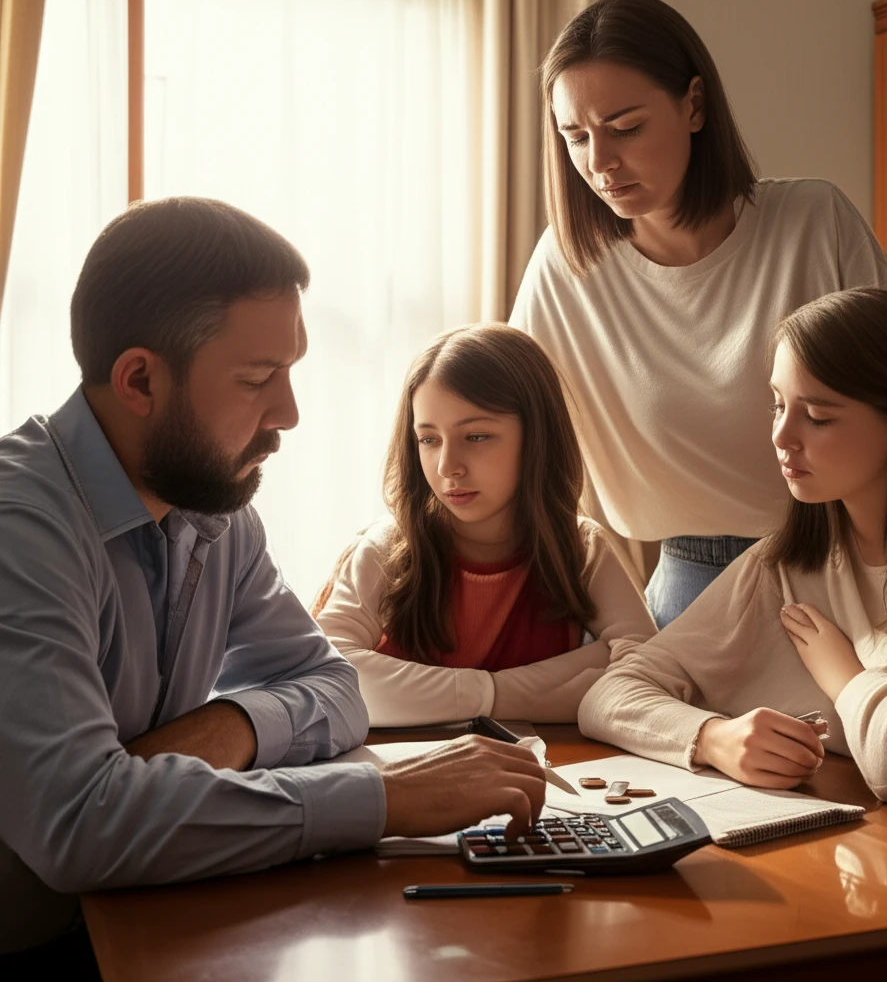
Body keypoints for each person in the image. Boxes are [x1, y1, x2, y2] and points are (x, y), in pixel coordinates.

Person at [0, 199, 546, 974]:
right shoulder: (21, 529)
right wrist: (387, 800)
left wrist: (228, 727)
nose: (287, 413)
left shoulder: (212, 500)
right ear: (139, 380)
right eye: (258, 379)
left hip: (150, 911)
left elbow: (333, 686)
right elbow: (82, 824)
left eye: (289, 372)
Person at [509, 0, 887, 629]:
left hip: (852, 569)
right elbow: (522, 449)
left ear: (694, 105)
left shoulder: (814, 223)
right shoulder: (568, 270)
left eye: (626, 128)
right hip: (690, 589)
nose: (600, 163)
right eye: (576, 136)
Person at [579, 288, 887, 802]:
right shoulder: (785, 564)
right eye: (778, 405)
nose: (781, 436)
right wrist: (712, 739)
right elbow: (609, 695)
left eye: (816, 416)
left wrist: (842, 672)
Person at [313, 323, 656, 726]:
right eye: (428, 439)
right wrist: (504, 695)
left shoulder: (580, 548)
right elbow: (329, 682)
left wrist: (418, 693)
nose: (447, 467)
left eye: (476, 437)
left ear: (536, 437)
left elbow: (645, 673)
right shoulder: (385, 549)